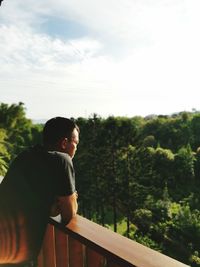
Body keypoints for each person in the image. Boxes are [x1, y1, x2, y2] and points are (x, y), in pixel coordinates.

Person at [0, 117, 79, 267]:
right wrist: (71, 198)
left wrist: (52, 207)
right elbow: (69, 213)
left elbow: (28, 198)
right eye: (75, 144)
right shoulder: (62, 160)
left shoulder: (26, 155)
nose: (76, 149)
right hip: (15, 254)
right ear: (64, 143)